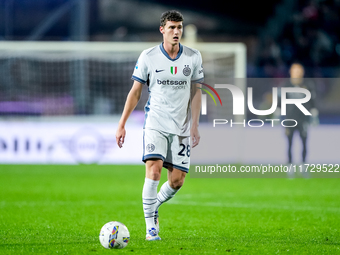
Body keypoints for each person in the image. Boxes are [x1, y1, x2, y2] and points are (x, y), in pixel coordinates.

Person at [115, 10, 203, 241]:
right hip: (155, 122)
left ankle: (153, 205)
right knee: (153, 171)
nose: (176, 32)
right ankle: (150, 228)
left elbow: (196, 93)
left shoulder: (193, 57)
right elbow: (135, 92)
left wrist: (195, 125)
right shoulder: (149, 56)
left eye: (179, 27)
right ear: (162, 30)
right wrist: (122, 123)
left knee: (177, 181)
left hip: (182, 127)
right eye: (172, 27)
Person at [280, 62, 318, 178]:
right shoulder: (285, 85)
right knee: (289, 143)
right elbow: (279, 102)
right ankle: (290, 167)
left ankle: (303, 167)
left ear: (302, 72)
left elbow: (313, 102)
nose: (297, 73)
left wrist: (314, 114)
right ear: (290, 72)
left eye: (298, 71)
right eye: (294, 70)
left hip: (303, 119)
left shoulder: (308, 85)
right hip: (290, 119)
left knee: (304, 143)